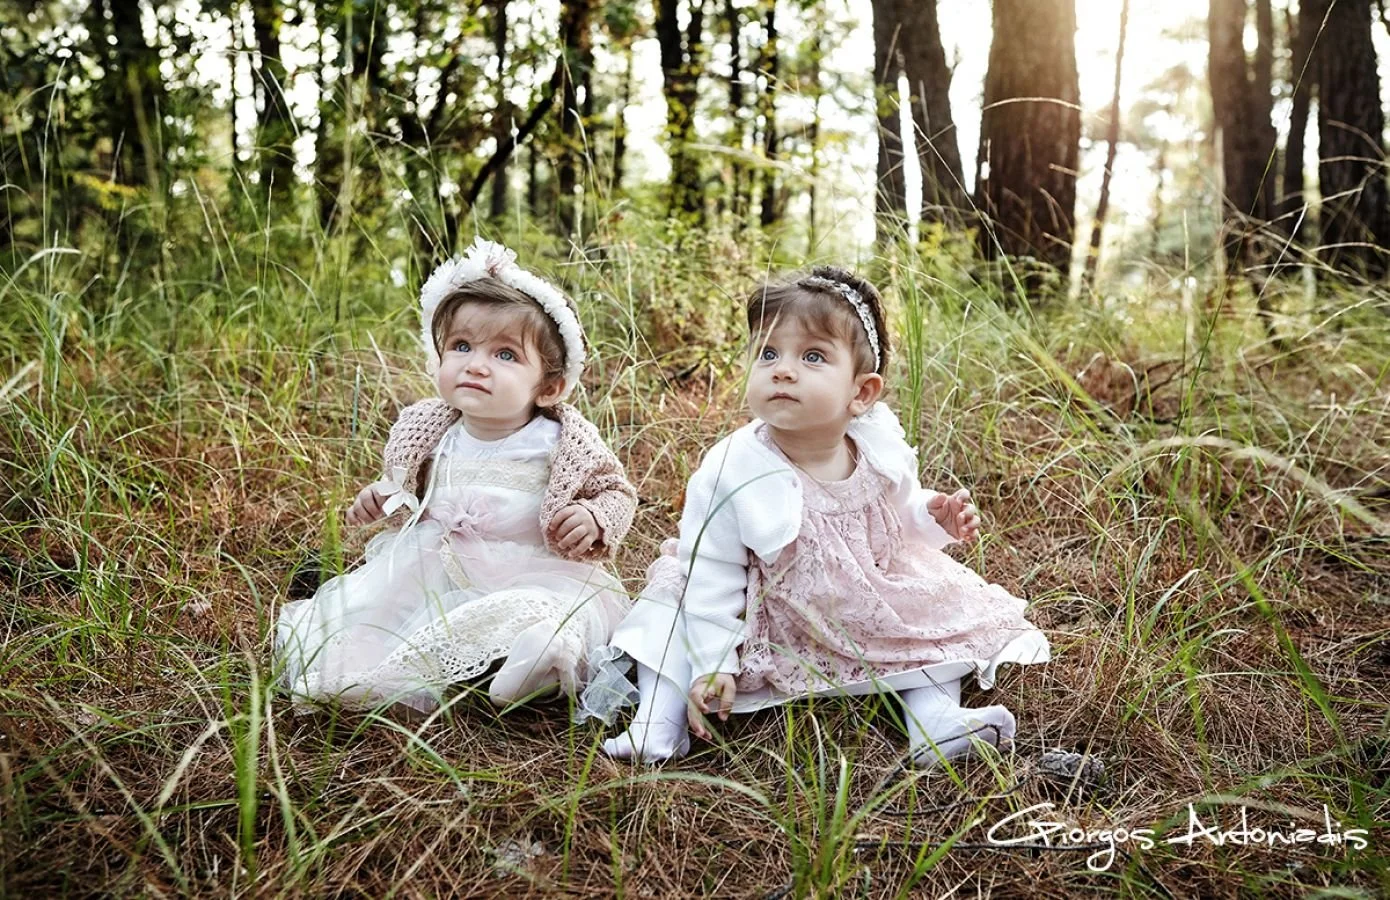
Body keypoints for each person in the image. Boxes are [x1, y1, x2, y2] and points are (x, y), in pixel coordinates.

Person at [594, 267, 1050, 764]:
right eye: (768, 353)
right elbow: (711, 570)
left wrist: (932, 516)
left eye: (813, 356)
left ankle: (935, 721)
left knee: (931, 631)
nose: (783, 370)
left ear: (861, 393)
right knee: (666, 609)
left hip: (858, 602)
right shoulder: (735, 465)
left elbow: (898, 515)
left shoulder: (875, 447)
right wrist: (714, 661)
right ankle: (658, 724)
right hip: (763, 613)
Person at [276, 238, 637, 715]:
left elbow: (616, 492)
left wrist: (593, 517)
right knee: (382, 627)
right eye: (461, 346)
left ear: (549, 387)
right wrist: (381, 499)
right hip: (434, 573)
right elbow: (405, 492)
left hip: (534, 572)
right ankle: (455, 674)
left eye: (506, 355)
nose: (477, 364)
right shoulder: (431, 430)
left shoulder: (561, 439)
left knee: (545, 617)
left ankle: (532, 666)